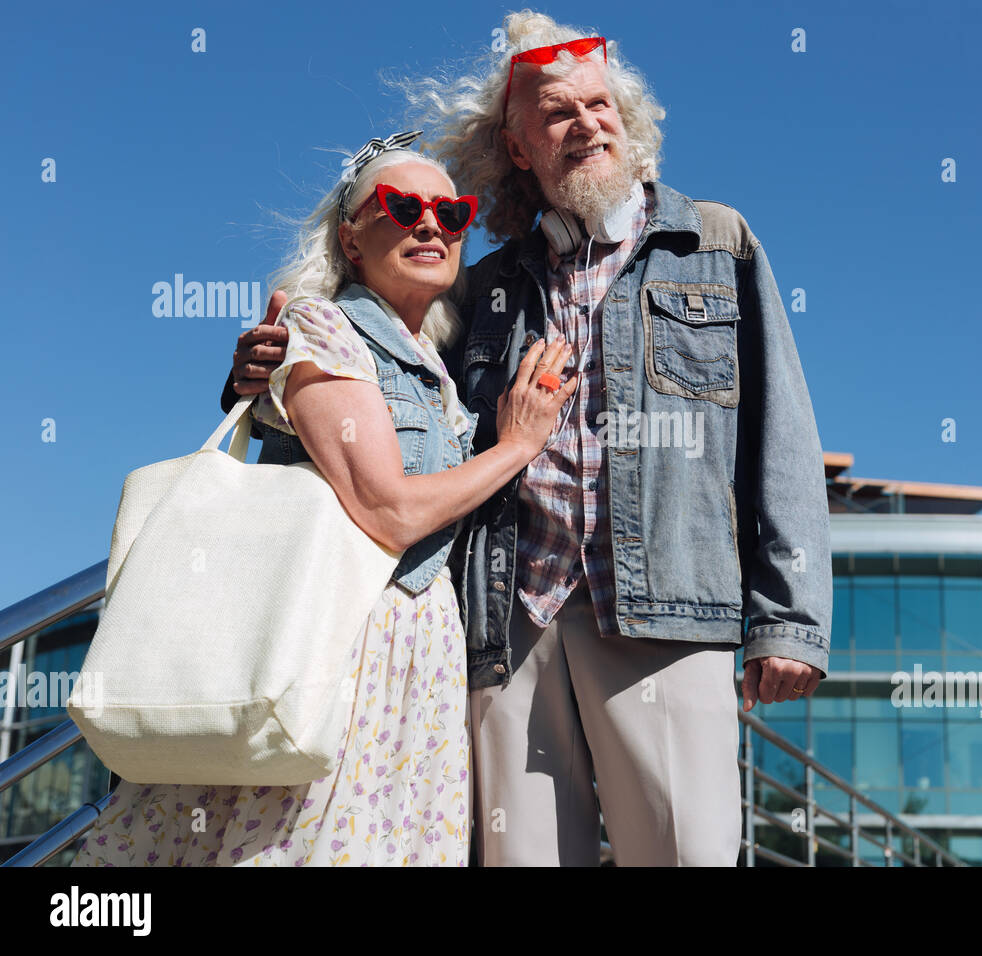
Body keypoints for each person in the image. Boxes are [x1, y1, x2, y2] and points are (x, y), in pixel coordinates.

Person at [224, 11, 831, 866]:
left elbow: (783, 434)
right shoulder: (485, 285)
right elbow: (372, 372)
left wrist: (790, 620)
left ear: (626, 121)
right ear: (518, 147)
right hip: (506, 624)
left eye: (599, 107)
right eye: (557, 113)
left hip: (664, 612)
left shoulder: (714, 242)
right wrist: (261, 371)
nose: (586, 125)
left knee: (689, 852)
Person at [75, 135, 575, 867]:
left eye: (454, 211)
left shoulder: (438, 358)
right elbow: (389, 512)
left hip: (418, 653)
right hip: (339, 637)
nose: (431, 224)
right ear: (350, 235)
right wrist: (516, 446)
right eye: (403, 207)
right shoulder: (320, 325)